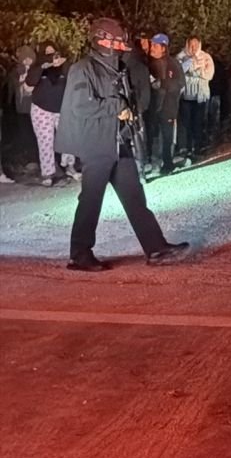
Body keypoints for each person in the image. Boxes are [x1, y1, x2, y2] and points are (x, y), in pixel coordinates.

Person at [56, 18, 189, 271]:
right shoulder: (83, 69)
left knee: (134, 196)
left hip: (119, 142)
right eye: (115, 42)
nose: (120, 46)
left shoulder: (117, 68)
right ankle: (79, 254)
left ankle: (156, 248)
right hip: (96, 143)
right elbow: (81, 106)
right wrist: (116, 107)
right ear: (101, 40)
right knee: (91, 200)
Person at [25, 43, 77, 185]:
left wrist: (64, 64)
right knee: (45, 141)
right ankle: (47, 173)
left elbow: (74, 80)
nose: (52, 57)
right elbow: (29, 83)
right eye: (47, 54)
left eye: (54, 53)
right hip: (41, 109)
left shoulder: (64, 67)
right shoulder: (38, 68)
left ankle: (70, 167)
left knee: (68, 139)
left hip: (62, 109)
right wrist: (42, 66)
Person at [146, 34, 185, 176]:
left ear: (163, 48)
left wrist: (162, 84)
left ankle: (168, 163)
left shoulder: (173, 63)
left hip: (168, 105)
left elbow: (180, 83)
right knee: (152, 135)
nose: (152, 48)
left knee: (167, 136)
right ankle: (152, 162)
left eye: (155, 46)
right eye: (151, 45)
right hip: (153, 105)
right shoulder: (149, 63)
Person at [178, 35, 214, 159]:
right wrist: (190, 66)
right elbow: (179, 72)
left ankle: (197, 147)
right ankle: (187, 148)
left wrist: (196, 72)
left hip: (200, 96)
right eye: (191, 45)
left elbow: (209, 75)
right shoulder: (181, 57)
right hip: (186, 96)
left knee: (198, 122)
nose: (193, 48)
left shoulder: (206, 57)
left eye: (196, 45)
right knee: (186, 123)